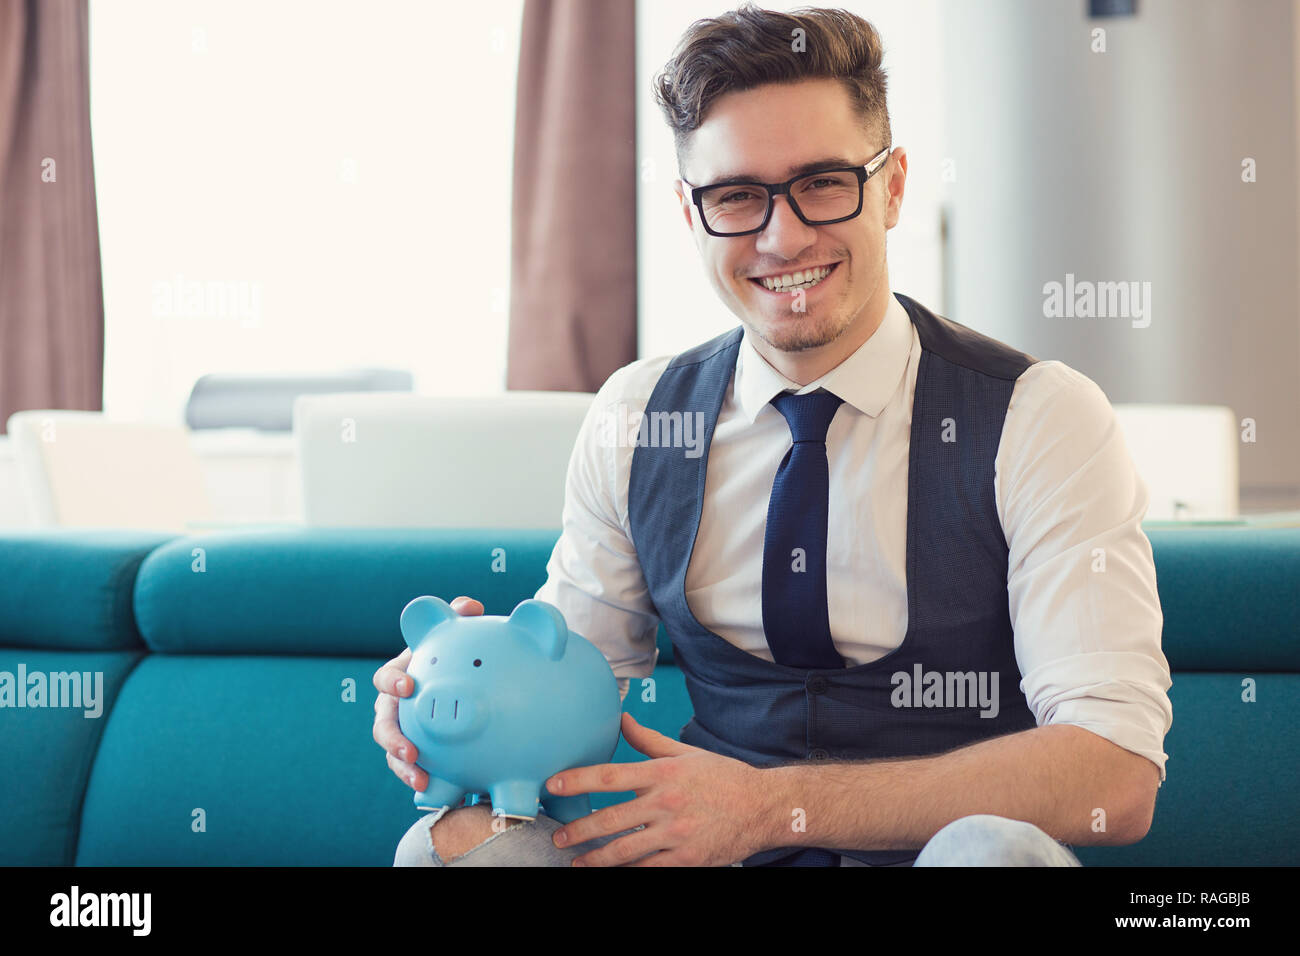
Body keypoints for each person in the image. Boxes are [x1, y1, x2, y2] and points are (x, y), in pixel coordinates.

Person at [374, 3, 1172, 867]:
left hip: (934, 856)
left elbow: (1115, 775)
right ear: (691, 213)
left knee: (991, 853)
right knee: (449, 846)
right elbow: (572, 701)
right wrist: (461, 709)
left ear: (894, 186)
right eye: (736, 196)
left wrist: (768, 807)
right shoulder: (637, 417)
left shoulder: (1039, 417)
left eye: (825, 182)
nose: (782, 236)